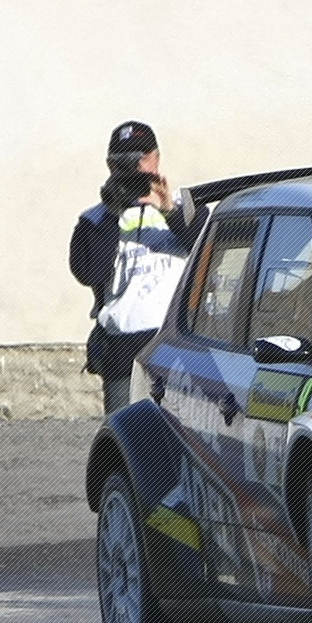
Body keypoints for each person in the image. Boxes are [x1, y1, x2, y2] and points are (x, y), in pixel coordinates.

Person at [69, 121, 203, 413]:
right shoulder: (94, 221)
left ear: (156, 157)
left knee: (178, 428)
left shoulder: (185, 207)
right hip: (121, 345)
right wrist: (112, 212)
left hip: (174, 340)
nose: (134, 167)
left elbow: (207, 255)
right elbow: (89, 272)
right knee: (123, 431)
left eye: (141, 158)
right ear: (110, 166)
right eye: (123, 162)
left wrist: (169, 212)